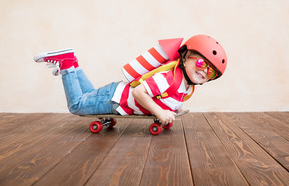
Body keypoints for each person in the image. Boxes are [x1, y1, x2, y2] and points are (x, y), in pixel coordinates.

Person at [34, 35, 227, 125]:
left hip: (114, 95)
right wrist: (160, 112)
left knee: (85, 96)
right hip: (115, 100)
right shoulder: (169, 79)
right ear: (184, 57)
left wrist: (172, 109)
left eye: (211, 72)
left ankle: (72, 63)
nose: (205, 71)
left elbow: (166, 99)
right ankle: (67, 66)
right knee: (76, 105)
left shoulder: (185, 87)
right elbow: (138, 92)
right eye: (202, 63)